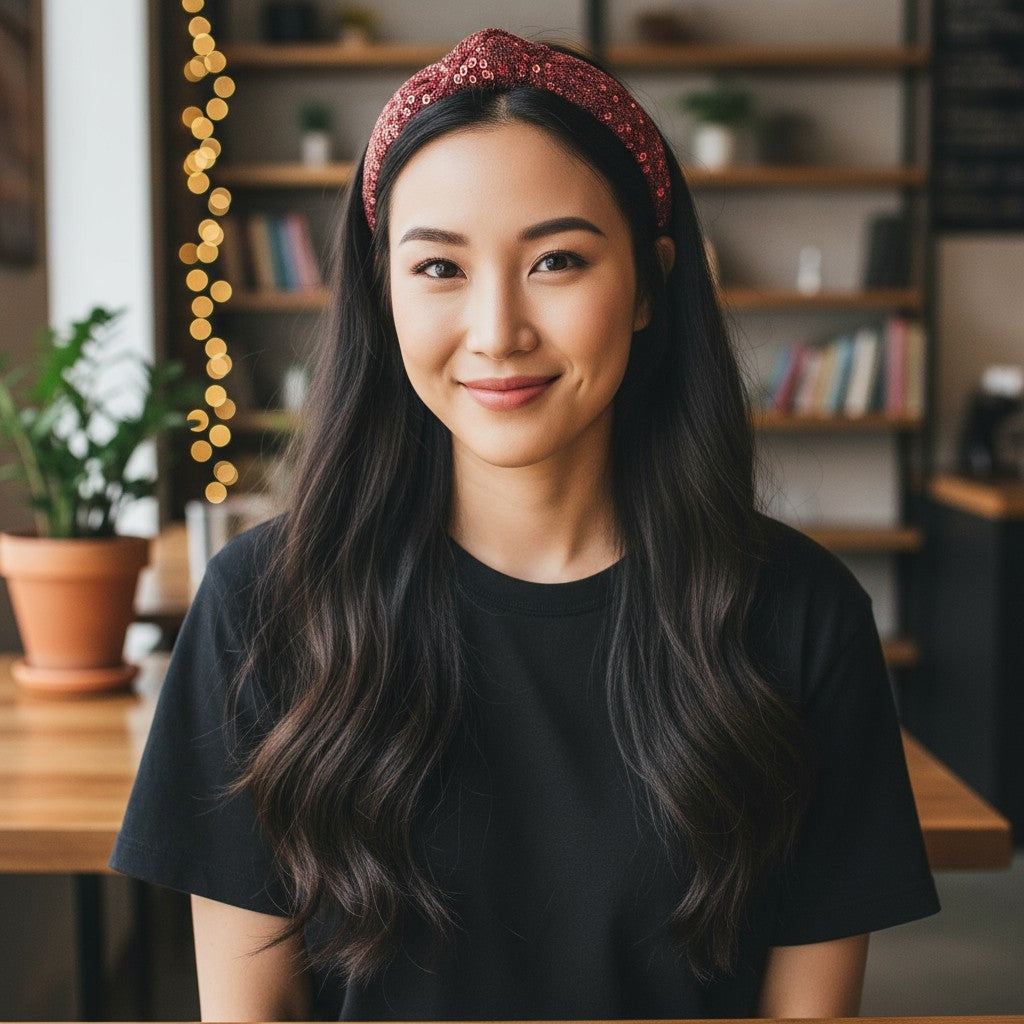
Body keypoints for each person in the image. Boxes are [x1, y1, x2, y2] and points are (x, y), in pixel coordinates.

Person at [110, 27, 940, 1021]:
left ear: (647, 283)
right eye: (438, 268)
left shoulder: (800, 617)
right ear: (382, 292)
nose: (497, 330)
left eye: (556, 260)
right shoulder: (263, 607)